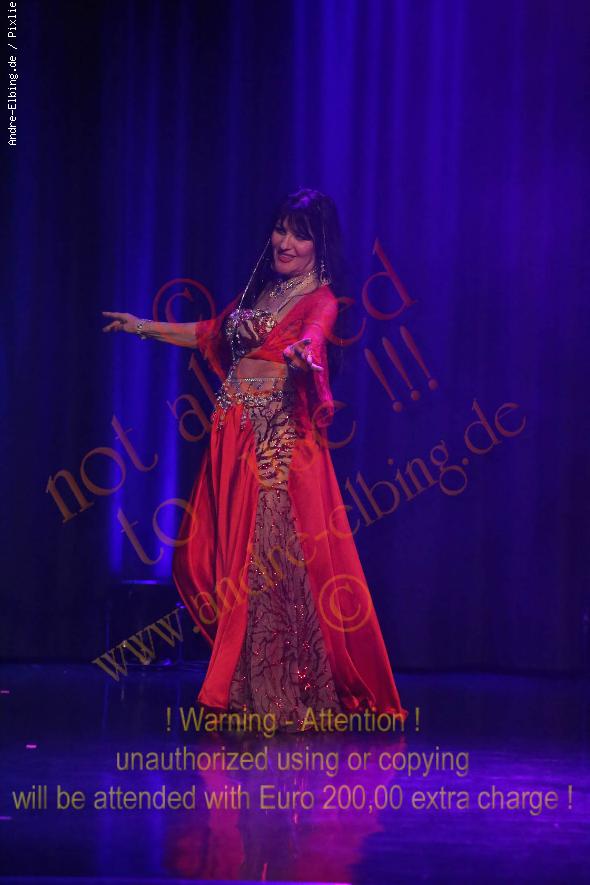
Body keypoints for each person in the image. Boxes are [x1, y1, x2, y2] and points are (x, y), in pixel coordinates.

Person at [102, 187, 407, 732]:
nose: (285, 242)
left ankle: (281, 691)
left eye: (300, 235)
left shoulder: (320, 299)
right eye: (281, 229)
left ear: (320, 246)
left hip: (277, 441)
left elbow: (313, 339)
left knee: (270, 562)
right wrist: (140, 326)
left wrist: (306, 356)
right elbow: (208, 332)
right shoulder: (263, 289)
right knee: (223, 558)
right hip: (234, 434)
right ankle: (247, 684)